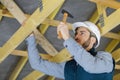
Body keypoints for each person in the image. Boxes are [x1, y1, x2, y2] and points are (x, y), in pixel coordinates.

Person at [26, 21, 115, 80]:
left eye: (82, 33)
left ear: (93, 40)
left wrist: (67, 38)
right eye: (76, 34)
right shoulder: (70, 66)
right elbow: (36, 64)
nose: (76, 36)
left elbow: (90, 65)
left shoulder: (105, 58)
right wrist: (30, 38)